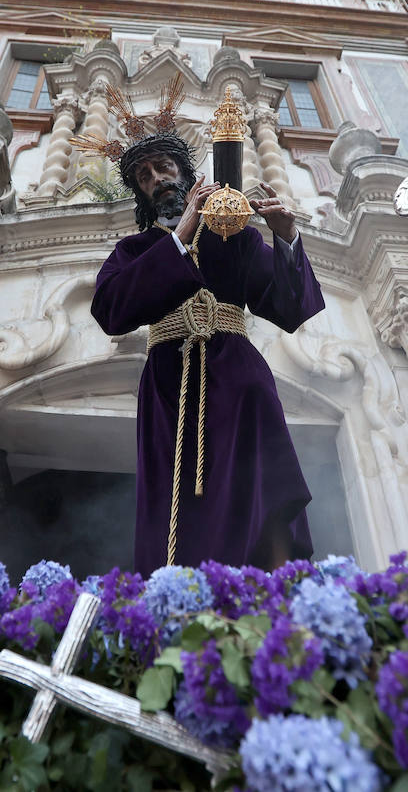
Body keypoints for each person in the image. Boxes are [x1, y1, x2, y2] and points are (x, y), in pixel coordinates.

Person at [84, 102, 325, 572]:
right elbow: (111, 310)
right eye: (146, 175)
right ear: (139, 190)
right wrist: (182, 233)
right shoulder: (133, 250)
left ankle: (270, 586)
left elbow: (289, 308)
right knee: (172, 500)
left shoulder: (231, 235)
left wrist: (286, 236)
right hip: (168, 385)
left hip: (238, 380)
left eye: (165, 167)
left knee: (261, 488)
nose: (157, 179)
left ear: (186, 172)